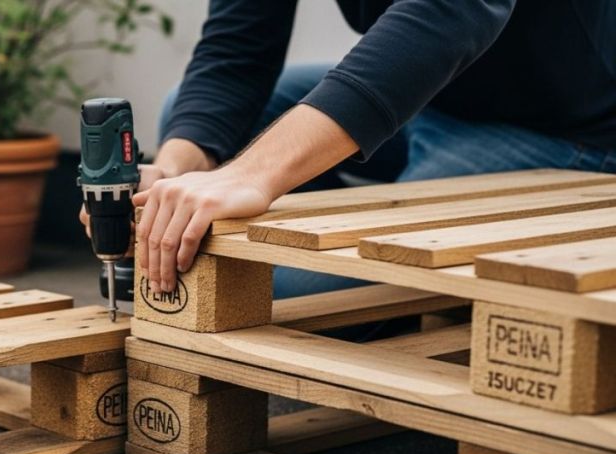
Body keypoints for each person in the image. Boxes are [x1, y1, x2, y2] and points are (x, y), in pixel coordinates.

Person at [81, 0, 616, 301]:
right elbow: (238, 46)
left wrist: (254, 173)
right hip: (427, 98)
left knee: (275, 290)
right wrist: (176, 171)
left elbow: (449, 12)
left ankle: (405, 292)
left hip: (567, 129)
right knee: (194, 120)